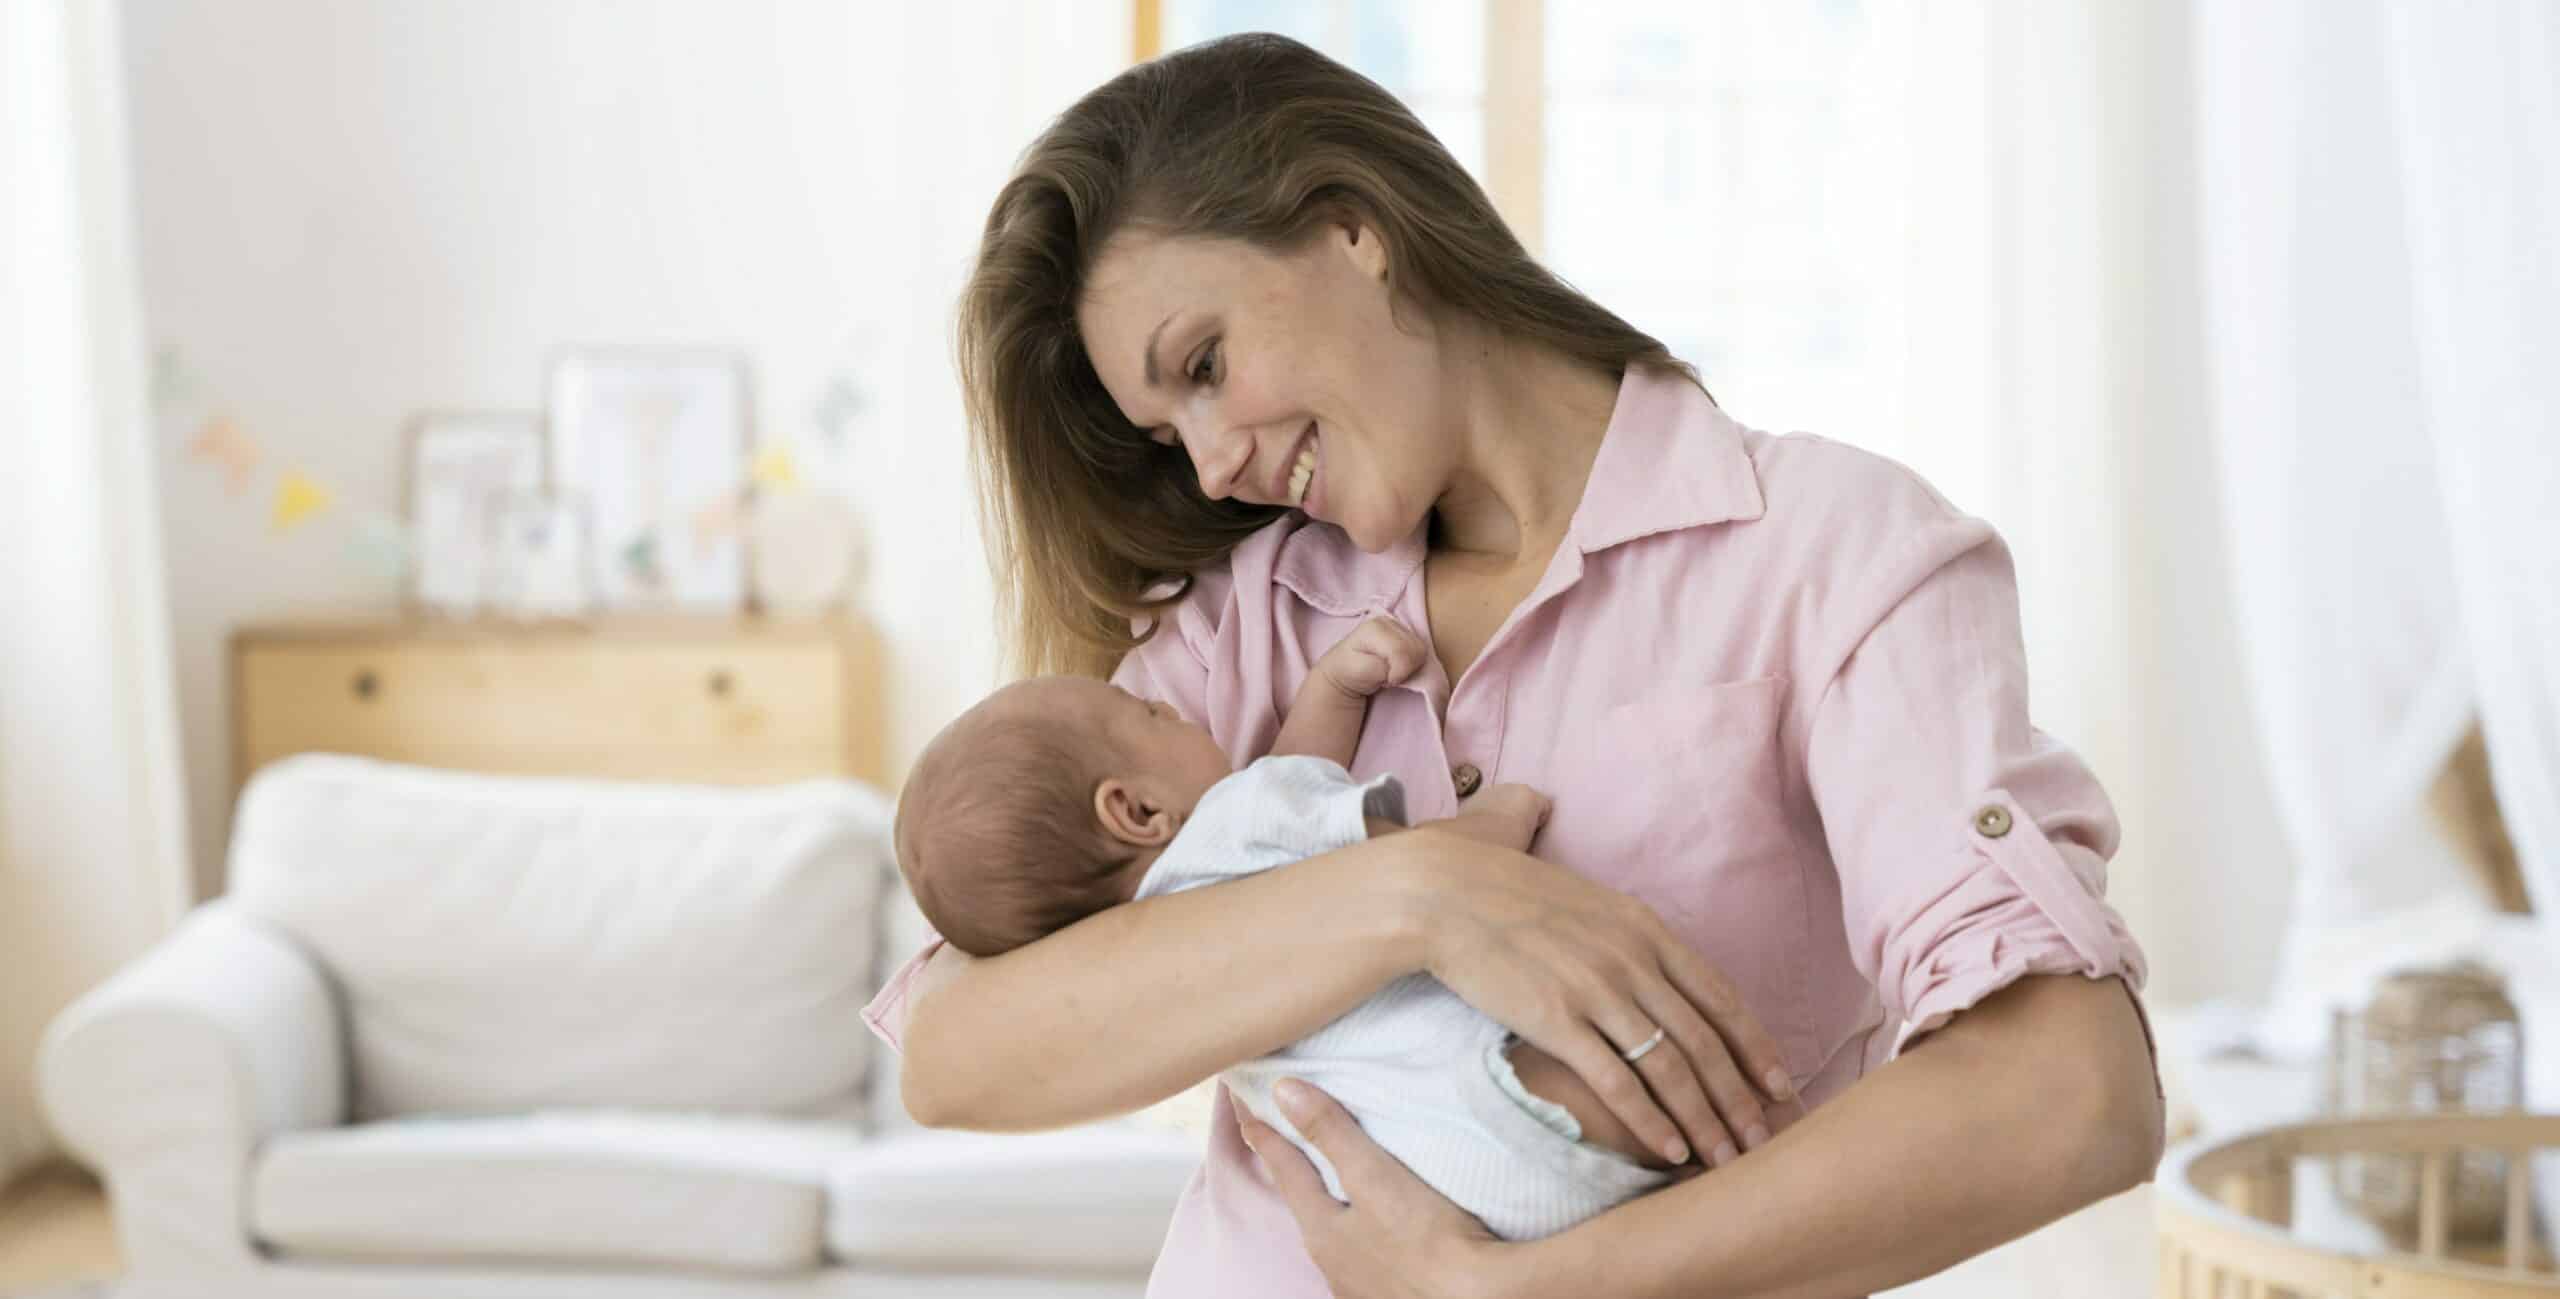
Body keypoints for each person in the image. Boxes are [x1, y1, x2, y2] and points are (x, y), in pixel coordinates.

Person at [865, 31, 2166, 1299]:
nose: (1208, 465)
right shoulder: (1243, 620)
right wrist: (1420, 896)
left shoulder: (1833, 557)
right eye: (1168, 429)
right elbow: (955, 1051)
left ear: (1351, 228)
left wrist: (1533, 1285)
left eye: (1204, 365)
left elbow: (2072, 1091)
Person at [894, 617, 1680, 1240]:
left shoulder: (1144, 944)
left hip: (1413, 1177)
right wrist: (1502, 815)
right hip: (1502, 1106)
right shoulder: (1238, 824)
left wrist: (1332, 689)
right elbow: (1430, 865)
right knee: (1645, 1077)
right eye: (1152, 713)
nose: (1166, 706)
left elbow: (1291, 784)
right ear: (1134, 811)